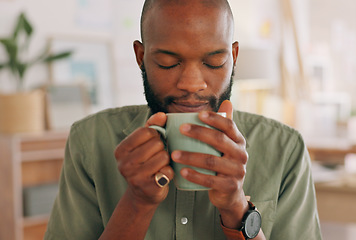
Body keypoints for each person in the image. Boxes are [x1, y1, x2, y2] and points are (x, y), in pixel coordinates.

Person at [44, 0, 321, 239]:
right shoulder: (90, 141)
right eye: (168, 62)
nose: (191, 83)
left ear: (234, 57)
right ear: (141, 57)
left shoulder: (285, 149)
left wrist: (237, 208)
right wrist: (137, 203)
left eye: (214, 63)